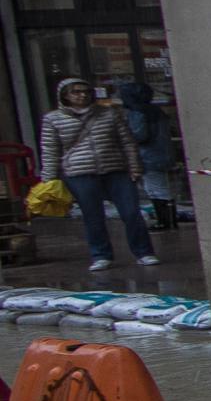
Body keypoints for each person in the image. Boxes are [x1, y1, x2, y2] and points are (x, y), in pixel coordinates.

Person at [39, 74, 157, 271]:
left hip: (115, 169)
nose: (82, 95)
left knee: (131, 213)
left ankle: (144, 252)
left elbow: (127, 142)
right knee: (92, 216)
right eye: (75, 92)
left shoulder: (109, 113)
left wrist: (135, 167)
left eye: (85, 91)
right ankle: (101, 255)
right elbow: (50, 149)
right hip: (79, 172)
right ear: (64, 96)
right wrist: (48, 179)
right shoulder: (53, 119)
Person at [117, 75, 181, 229]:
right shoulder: (156, 111)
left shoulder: (138, 113)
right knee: (160, 188)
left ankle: (165, 221)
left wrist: (123, 136)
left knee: (156, 189)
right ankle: (168, 220)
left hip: (148, 156)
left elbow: (139, 135)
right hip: (162, 154)